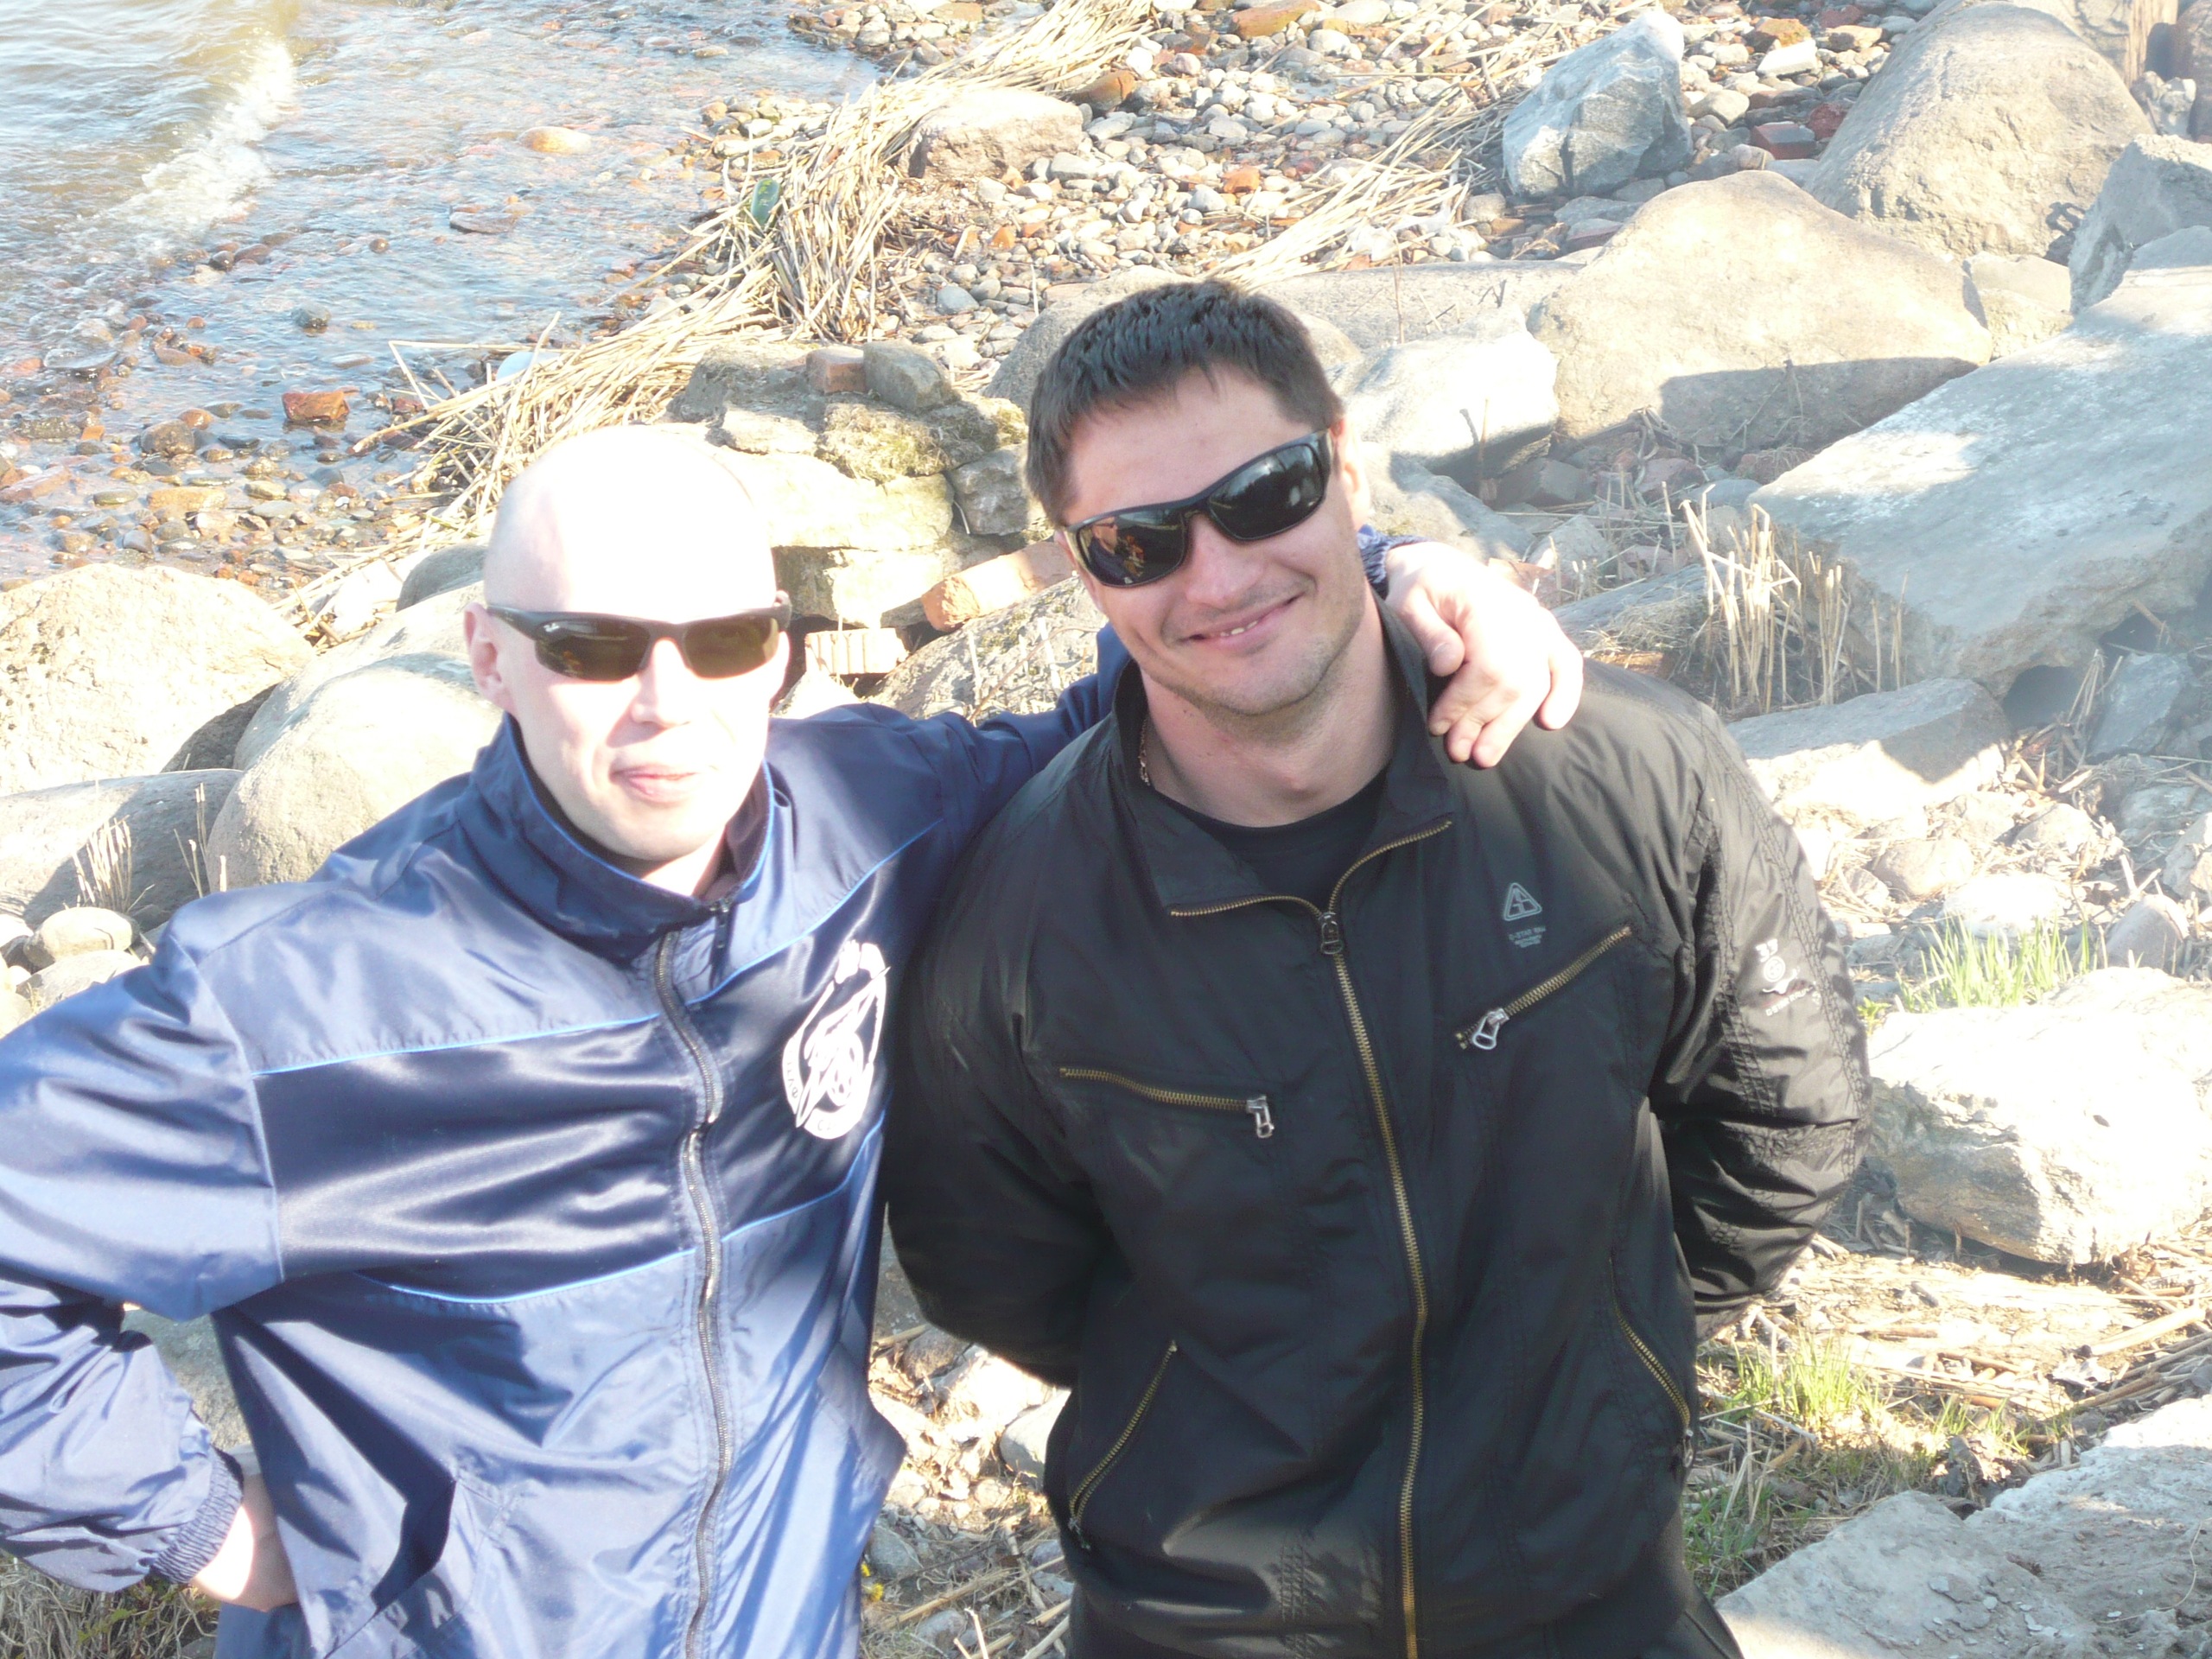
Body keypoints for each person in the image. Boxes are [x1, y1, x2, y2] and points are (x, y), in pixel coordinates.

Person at [0, 422, 1580, 1658]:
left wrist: (1390, 572)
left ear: (780, 651)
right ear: (489, 655)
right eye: (593, 648)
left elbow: (1131, 709)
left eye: (722, 640)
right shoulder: (298, 1008)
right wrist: (210, 1533)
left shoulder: (872, 822)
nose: (666, 703)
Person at [884, 281, 1872, 1659]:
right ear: (1082, 568)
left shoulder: (1625, 780)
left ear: (1344, 467)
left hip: (1591, 1591)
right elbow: (991, 1267)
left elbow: (1784, 1116)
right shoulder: (1018, 915)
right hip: (1205, 1624)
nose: (1216, 578)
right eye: (1139, 542)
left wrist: (1602, 1353)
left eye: (1264, 495)